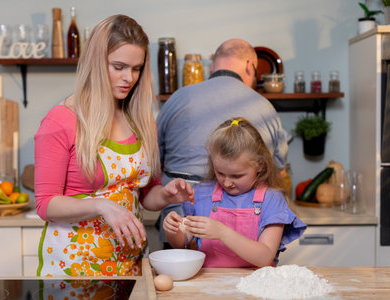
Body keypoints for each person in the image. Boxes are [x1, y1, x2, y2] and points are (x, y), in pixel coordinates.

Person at [34, 14, 194, 277]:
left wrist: (165, 195)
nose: (128, 78)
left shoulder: (141, 121)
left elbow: (145, 194)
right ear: (96, 63)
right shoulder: (61, 120)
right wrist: (101, 205)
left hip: (129, 261)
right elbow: (45, 204)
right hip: (75, 266)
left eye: (136, 68)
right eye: (118, 66)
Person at [156, 38, 289, 248]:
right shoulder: (264, 107)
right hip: (243, 232)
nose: (226, 182)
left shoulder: (177, 98)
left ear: (213, 64)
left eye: (235, 175)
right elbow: (278, 166)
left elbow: (155, 159)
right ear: (249, 66)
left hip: (180, 217)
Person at [163, 117, 306, 267]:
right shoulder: (203, 194)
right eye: (220, 173)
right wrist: (173, 231)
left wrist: (222, 233)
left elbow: (264, 258)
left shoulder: (271, 199)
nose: (226, 182)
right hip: (210, 284)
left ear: (260, 166)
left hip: (256, 285)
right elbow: (182, 244)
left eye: (237, 176)